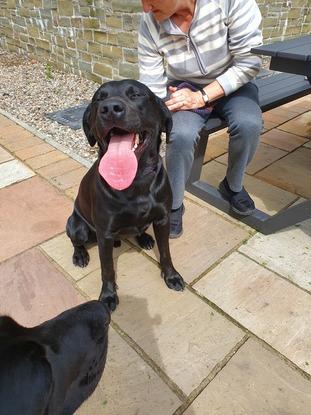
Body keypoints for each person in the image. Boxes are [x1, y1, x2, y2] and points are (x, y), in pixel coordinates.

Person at [138, 0, 263, 238]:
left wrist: (202, 97)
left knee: (249, 123)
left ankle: (232, 186)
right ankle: (173, 203)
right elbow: (151, 84)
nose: (145, 8)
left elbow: (249, 63)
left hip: (233, 83)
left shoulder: (230, 2)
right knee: (181, 133)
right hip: (183, 89)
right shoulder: (149, 23)